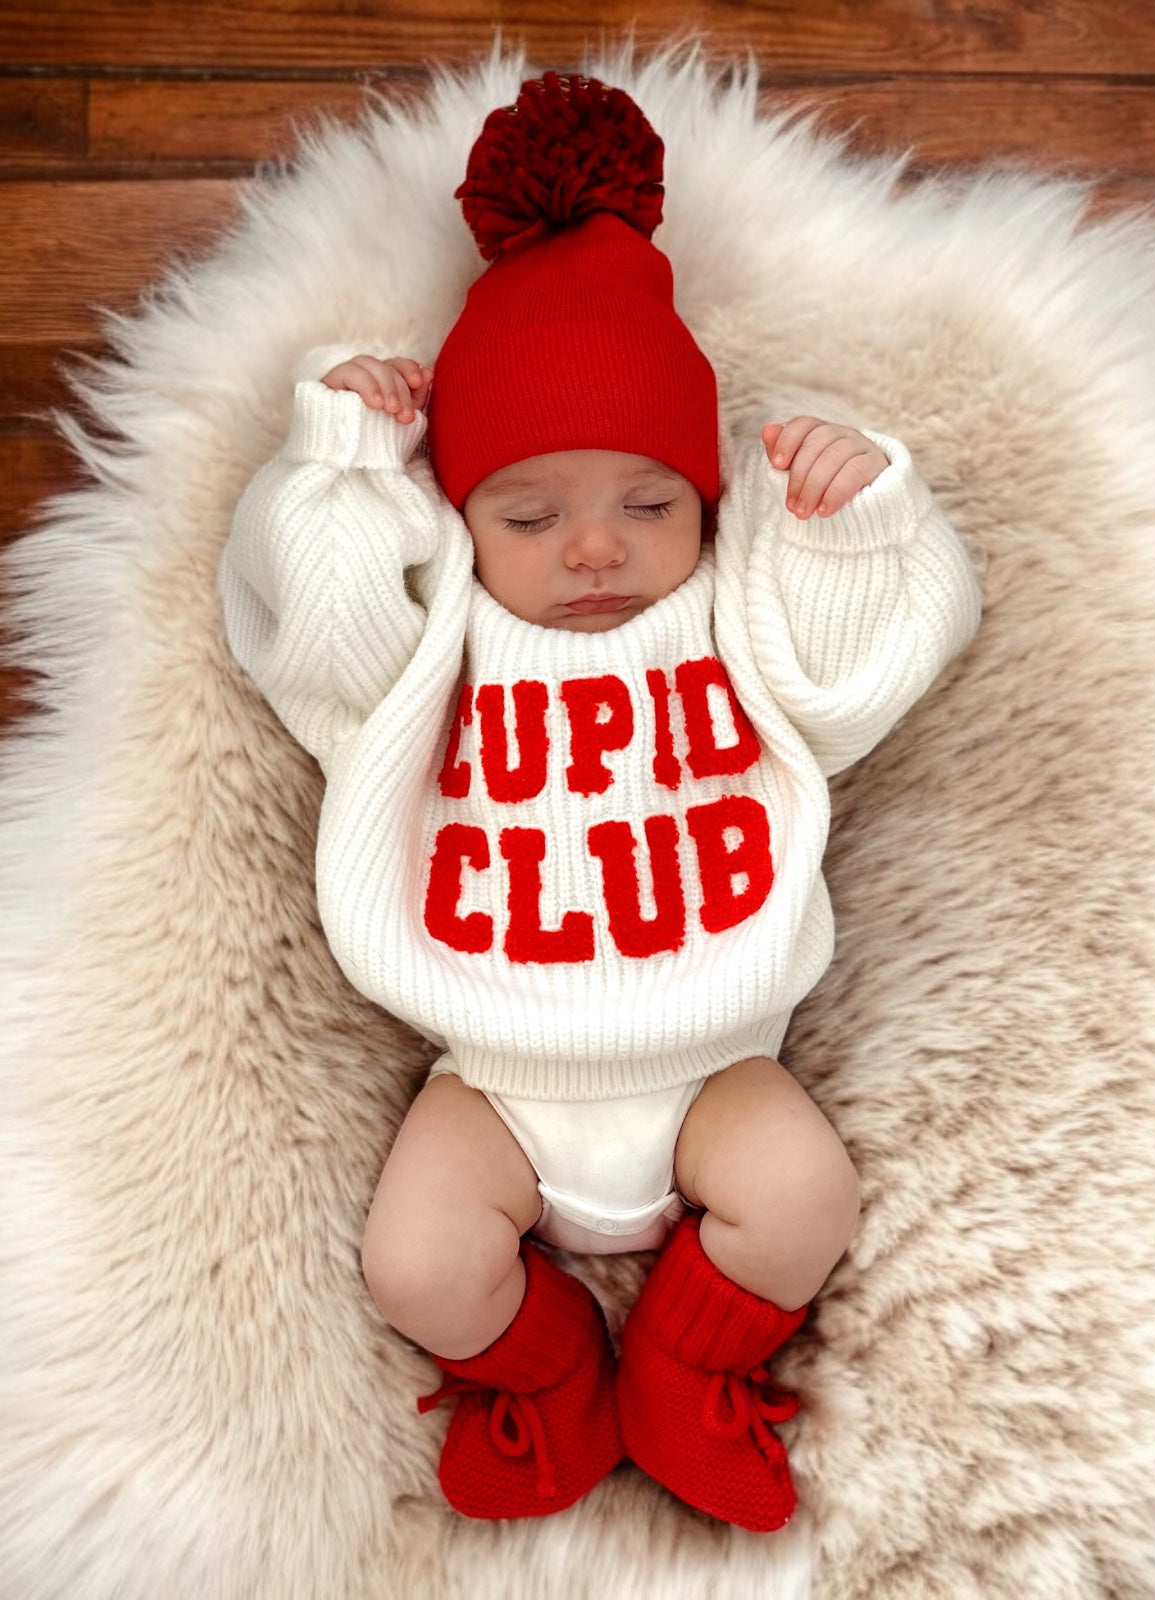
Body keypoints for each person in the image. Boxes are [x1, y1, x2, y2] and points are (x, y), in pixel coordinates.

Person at [221, 72, 981, 1532]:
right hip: (493, 1077)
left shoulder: (726, 611)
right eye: (529, 513)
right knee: (418, 1263)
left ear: (702, 505)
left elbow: (871, 664)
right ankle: (555, 1373)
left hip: (719, 1061)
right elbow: (305, 631)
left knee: (808, 1196)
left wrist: (863, 515)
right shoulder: (441, 631)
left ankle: (685, 1376)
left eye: (650, 504)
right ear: (463, 518)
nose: (593, 552)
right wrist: (342, 465)